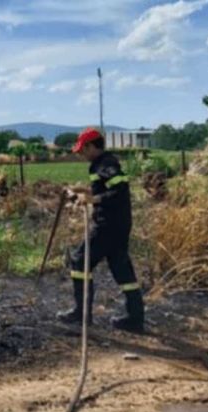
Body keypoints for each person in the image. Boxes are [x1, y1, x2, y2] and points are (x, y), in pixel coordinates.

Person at [57, 128, 145, 333]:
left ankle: (82, 314)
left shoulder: (105, 164)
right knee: (120, 267)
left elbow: (119, 191)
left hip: (108, 225)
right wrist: (83, 191)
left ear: (91, 146)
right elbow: (106, 189)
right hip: (119, 224)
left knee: (80, 260)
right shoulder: (102, 164)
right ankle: (135, 318)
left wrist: (92, 199)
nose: (81, 154)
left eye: (83, 150)